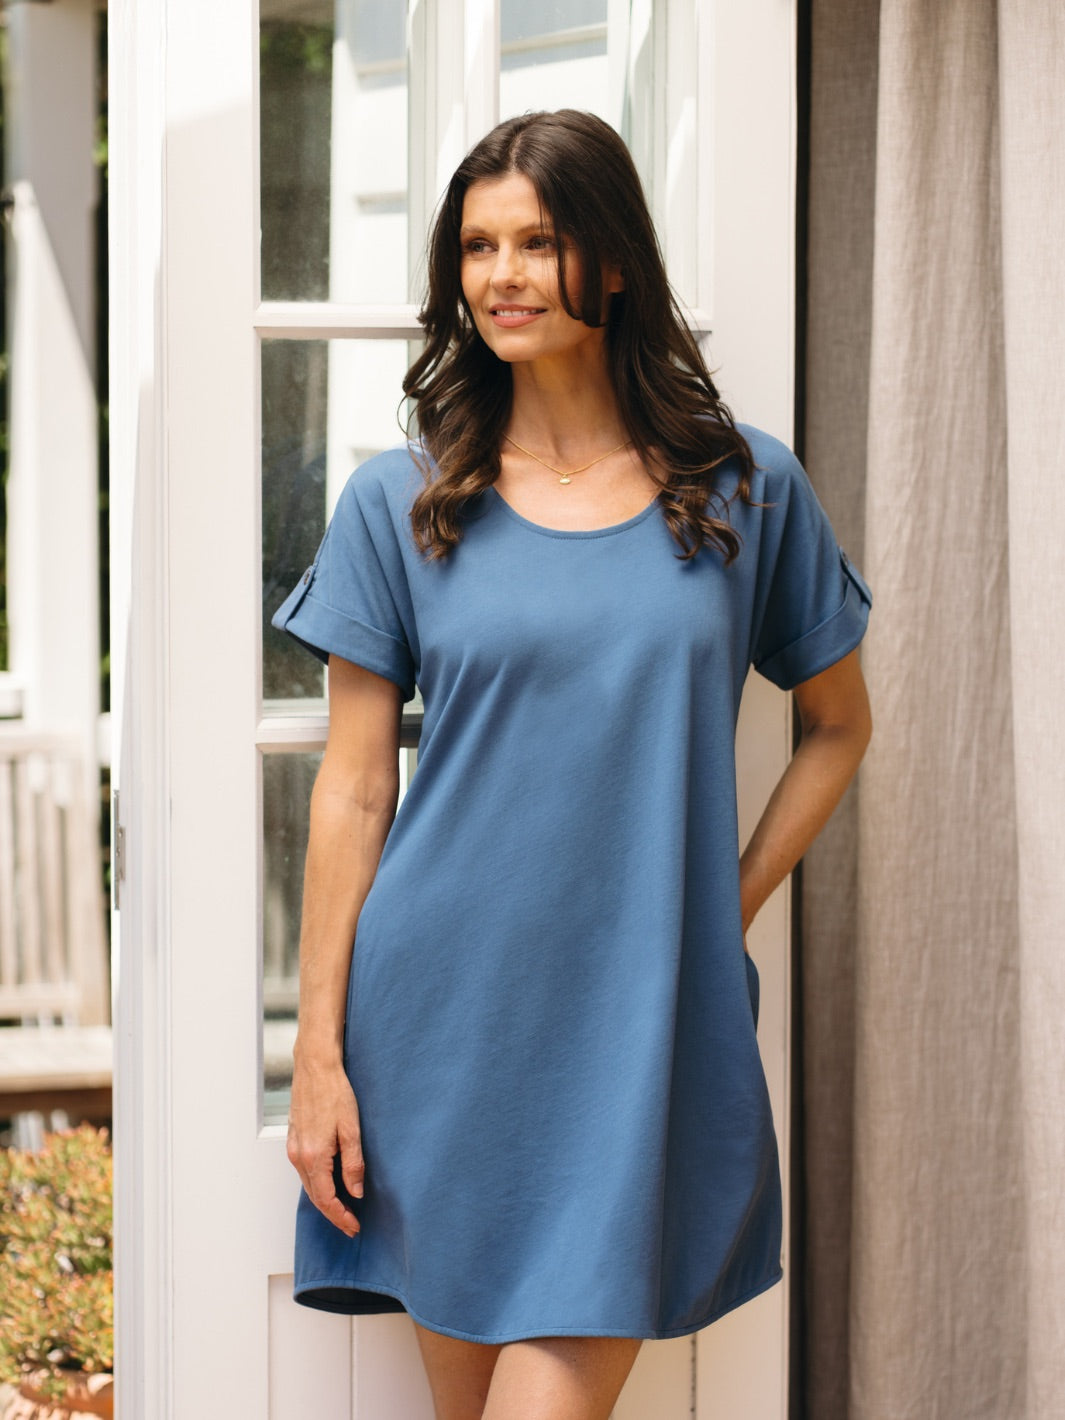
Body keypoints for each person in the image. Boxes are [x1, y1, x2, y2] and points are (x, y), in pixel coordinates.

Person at [273, 109, 872, 1420]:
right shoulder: (402, 500)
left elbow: (838, 725)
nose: (501, 275)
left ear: (606, 258)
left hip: (643, 1028)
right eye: (477, 246)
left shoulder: (742, 490)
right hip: (434, 1024)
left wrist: (724, 903)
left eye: (536, 241)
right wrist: (318, 1050)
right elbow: (357, 788)